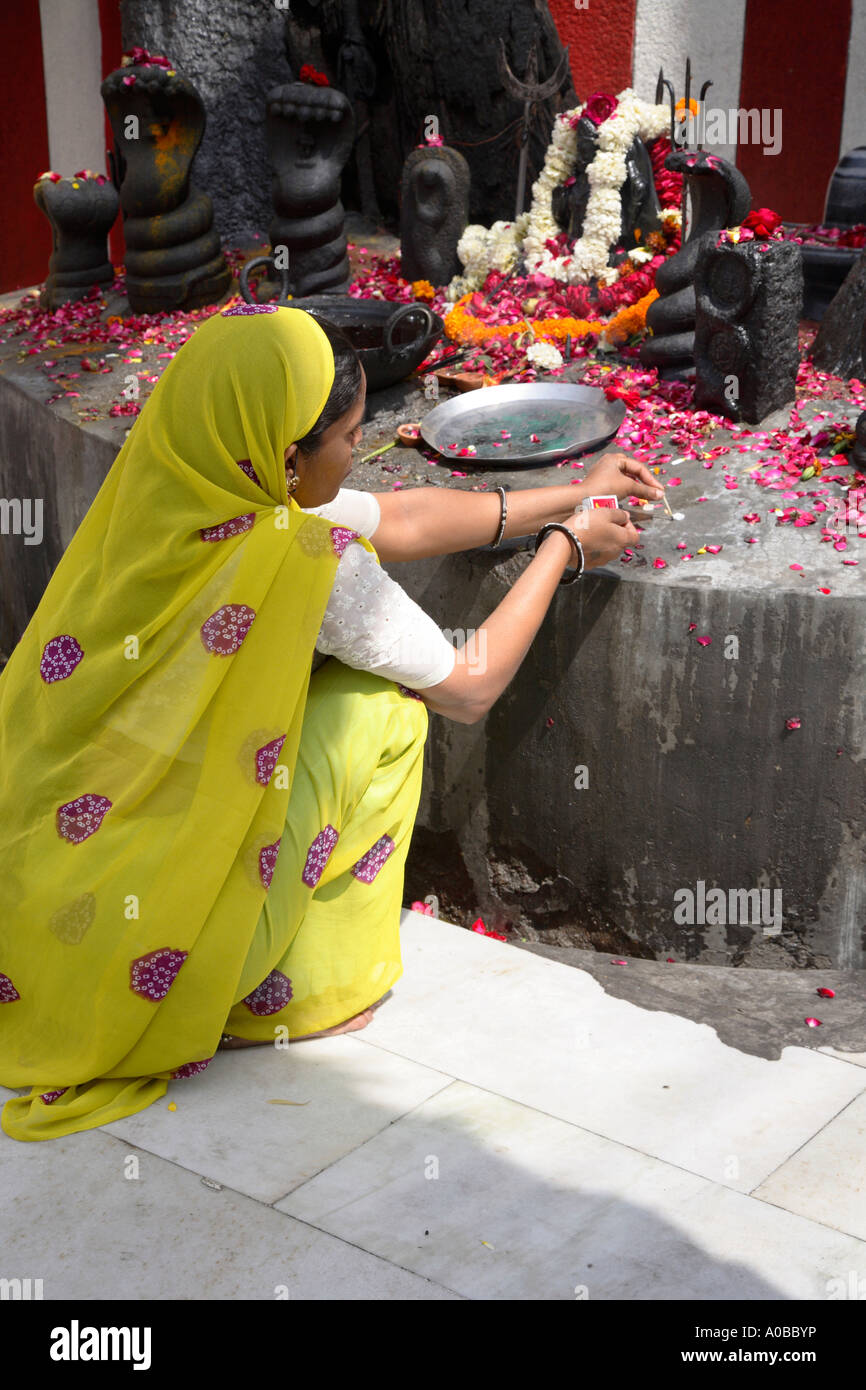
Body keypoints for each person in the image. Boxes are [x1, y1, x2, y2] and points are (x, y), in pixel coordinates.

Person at [0, 303, 661, 1142]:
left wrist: (575, 488)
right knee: (384, 708)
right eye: (350, 440)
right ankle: (302, 988)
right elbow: (470, 686)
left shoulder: (170, 484)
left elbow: (402, 520)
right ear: (284, 457)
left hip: (40, 913)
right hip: (157, 955)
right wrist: (566, 546)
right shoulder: (307, 561)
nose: (360, 455)